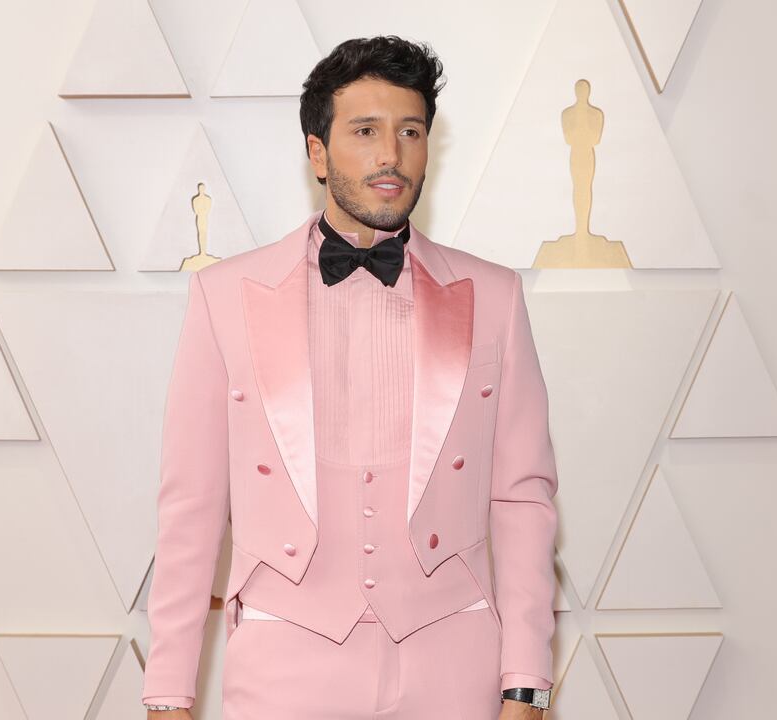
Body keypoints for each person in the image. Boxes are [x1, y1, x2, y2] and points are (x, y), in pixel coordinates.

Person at [142, 35, 559, 719]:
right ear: (317, 151)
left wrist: (526, 682)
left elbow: (521, 501)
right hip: (285, 663)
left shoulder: (496, 297)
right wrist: (167, 693)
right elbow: (191, 506)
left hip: (453, 660)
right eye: (365, 131)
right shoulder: (224, 297)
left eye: (410, 131)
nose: (391, 155)